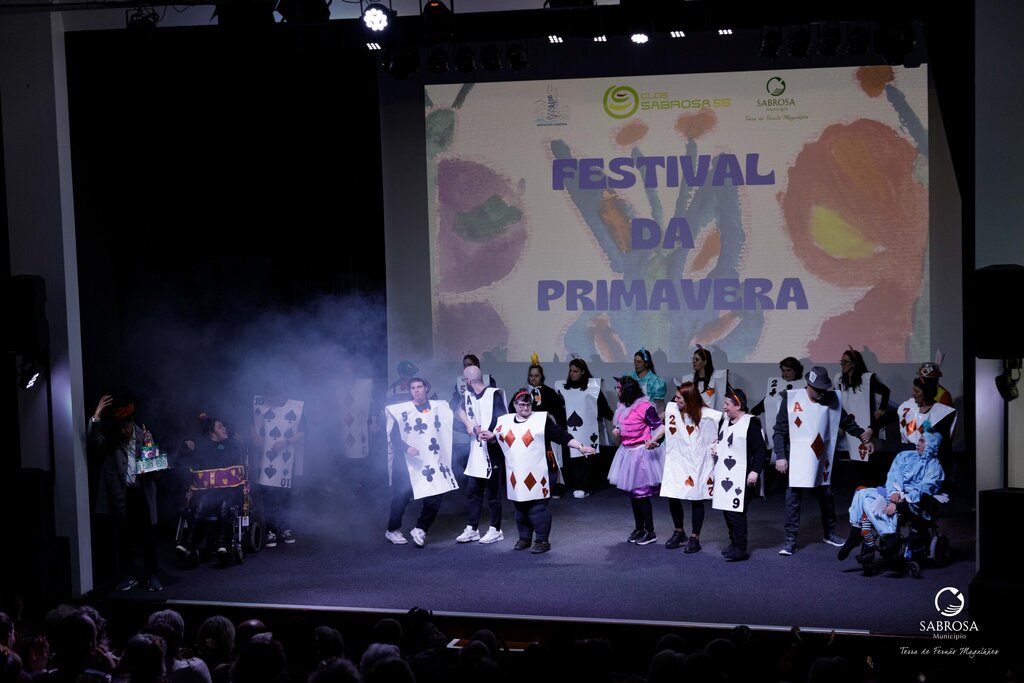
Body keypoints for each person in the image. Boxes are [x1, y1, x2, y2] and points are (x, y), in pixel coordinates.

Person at [772, 366, 874, 556]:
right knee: (793, 498)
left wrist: (863, 437)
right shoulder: (791, 399)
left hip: (821, 458)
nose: (821, 393)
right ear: (808, 385)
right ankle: (791, 539)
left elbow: (847, 422)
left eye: (824, 389)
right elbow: (779, 431)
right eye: (818, 389)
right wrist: (780, 456)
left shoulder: (831, 399)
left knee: (826, 495)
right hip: (797, 457)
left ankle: (830, 533)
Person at [481, 388, 596, 553]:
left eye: (528, 405)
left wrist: (580, 446)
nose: (525, 408)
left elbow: (561, 435)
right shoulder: (504, 422)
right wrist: (491, 437)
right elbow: (497, 439)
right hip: (516, 474)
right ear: (515, 405)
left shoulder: (541, 420)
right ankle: (524, 538)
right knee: (520, 506)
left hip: (541, 473)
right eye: (521, 405)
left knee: (537, 507)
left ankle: (542, 540)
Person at [88, 390, 164, 592]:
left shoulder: (145, 435)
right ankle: (129, 575)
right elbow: (93, 441)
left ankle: (152, 575)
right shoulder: (111, 438)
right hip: (122, 495)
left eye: (125, 426)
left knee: (148, 536)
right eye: (120, 427)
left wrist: (153, 459)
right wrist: (97, 414)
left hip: (142, 493)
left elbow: (156, 472)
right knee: (124, 537)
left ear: (131, 423)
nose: (124, 431)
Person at [838, 431, 945, 563]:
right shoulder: (905, 456)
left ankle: (888, 534)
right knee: (862, 494)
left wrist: (900, 498)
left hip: (913, 501)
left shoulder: (935, 468)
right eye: (919, 440)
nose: (917, 443)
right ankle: (856, 532)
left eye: (922, 441)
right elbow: (894, 475)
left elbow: (925, 488)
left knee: (894, 505)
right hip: (893, 492)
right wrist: (895, 492)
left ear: (931, 446)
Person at [383, 377, 457, 547]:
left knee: (436, 493)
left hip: (430, 460)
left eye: (419, 387)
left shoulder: (438, 408)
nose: (416, 390)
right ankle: (392, 529)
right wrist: (406, 447)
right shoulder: (402, 411)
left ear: (426, 388)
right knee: (401, 497)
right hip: (406, 461)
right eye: (413, 388)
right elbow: (394, 436)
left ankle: (421, 528)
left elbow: (449, 423)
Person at [647, 381, 719, 553]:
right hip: (677, 459)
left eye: (679, 397)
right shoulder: (673, 410)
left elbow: (719, 432)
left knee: (696, 497)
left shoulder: (707, 415)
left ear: (689, 398)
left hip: (697, 461)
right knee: (673, 494)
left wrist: (717, 446)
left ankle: (695, 537)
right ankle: (679, 532)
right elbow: (666, 426)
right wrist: (655, 439)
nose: (676, 399)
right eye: (676, 397)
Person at [176, 414, 246, 560]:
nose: (224, 429)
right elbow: (186, 464)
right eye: (220, 427)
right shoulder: (203, 449)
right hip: (209, 492)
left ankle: (222, 545)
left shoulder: (232, 446)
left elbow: (240, 470)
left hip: (231, 491)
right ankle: (188, 544)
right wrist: (187, 447)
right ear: (211, 432)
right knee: (201, 503)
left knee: (224, 504)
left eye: (224, 426)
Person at [608, 376, 664, 546]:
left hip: (641, 455)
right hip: (627, 452)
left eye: (619, 388)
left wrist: (653, 440)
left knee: (642, 495)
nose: (617, 391)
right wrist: (618, 430)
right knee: (633, 494)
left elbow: (660, 427)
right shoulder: (622, 406)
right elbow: (622, 424)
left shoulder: (644, 407)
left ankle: (650, 531)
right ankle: (639, 528)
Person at [711, 389, 767, 561]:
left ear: (738, 405)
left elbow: (761, 450)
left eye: (727, 404)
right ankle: (734, 543)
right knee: (727, 510)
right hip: (725, 474)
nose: (724, 407)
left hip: (742, 476)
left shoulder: (750, 423)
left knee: (736, 512)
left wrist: (755, 471)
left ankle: (741, 547)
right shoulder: (725, 421)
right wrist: (716, 446)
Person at [454, 365, 506, 545]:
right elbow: (460, 411)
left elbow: (503, 420)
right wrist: (469, 425)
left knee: (493, 493)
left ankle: (495, 529)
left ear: (468, 381)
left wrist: (492, 434)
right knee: (473, 491)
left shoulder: (493, 394)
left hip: (491, 449)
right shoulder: (469, 396)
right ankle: (472, 528)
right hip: (476, 450)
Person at [251, 386, 305, 548]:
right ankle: (271, 531)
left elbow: (303, 432)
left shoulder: (296, 407)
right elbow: (252, 425)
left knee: (284, 495)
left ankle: (285, 528)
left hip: (287, 459)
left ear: (282, 394)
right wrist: (255, 437)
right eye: (268, 396)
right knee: (268, 495)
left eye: (273, 396)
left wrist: (286, 442)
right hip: (265, 458)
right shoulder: (260, 405)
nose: (270, 400)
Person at [554, 357, 614, 498]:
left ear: (582, 372)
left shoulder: (593, 389)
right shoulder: (562, 389)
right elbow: (557, 408)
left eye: (575, 371)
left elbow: (604, 408)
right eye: (570, 371)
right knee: (570, 457)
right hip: (569, 431)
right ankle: (572, 485)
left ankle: (584, 487)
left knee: (586, 458)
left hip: (587, 432)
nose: (572, 374)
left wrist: (616, 420)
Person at [510, 355, 567, 497]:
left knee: (549, 459)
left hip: (546, 433)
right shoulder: (522, 393)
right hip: (528, 434)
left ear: (542, 377)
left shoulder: (550, 393)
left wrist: (549, 416)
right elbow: (512, 410)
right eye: (531, 376)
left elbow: (560, 412)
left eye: (536, 376)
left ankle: (553, 487)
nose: (533, 379)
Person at [750, 356, 804, 496]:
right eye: (783, 370)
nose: (785, 373)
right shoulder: (776, 385)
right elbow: (767, 401)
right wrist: (751, 413)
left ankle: (794, 490)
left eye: (789, 370)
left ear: (796, 371)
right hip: (779, 432)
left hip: (797, 434)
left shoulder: (804, 387)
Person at [889, 377, 958, 482]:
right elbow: (890, 416)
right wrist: (871, 429)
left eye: (917, 391)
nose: (912, 394)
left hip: (928, 462)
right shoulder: (909, 406)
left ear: (926, 393)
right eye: (913, 390)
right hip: (907, 456)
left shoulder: (941, 414)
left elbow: (944, 446)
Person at [835, 348, 891, 460]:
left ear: (853, 364)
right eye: (842, 361)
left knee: (865, 455)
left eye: (845, 362)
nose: (843, 364)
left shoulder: (866, 379)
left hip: (864, 424)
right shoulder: (840, 380)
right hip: (848, 426)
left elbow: (885, 391)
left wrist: (881, 409)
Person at [681, 347, 728, 411]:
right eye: (693, 359)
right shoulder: (688, 379)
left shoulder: (717, 378)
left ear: (705, 362)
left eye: (697, 359)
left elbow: (721, 401)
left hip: (712, 415)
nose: (694, 362)